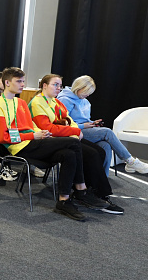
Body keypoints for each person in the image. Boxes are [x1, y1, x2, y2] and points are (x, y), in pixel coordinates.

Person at [0, 67, 108, 220]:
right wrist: (33, 135)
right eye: (19, 81)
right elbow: (2, 137)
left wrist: (42, 133)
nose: (22, 84)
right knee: (74, 143)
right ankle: (81, 190)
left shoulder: (21, 102)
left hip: (34, 141)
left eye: (23, 81)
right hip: (20, 147)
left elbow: (31, 125)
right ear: (7, 83)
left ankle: (64, 200)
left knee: (69, 154)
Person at [28, 74, 123, 213]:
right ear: (44, 86)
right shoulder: (37, 102)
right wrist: (75, 131)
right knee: (92, 153)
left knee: (100, 151)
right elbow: (48, 129)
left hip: (65, 137)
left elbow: (69, 120)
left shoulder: (56, 102)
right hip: (49, 140)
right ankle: (96, 193)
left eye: (60, 85)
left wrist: (75, 131)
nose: (59, 88)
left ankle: (91, 190)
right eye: (55, 85)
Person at [58, 75, 148, 175]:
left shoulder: (85, 101)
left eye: (89, 93)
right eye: (86, 92)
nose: (87, 95)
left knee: (106, 146)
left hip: (84, 130)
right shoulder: (65, 100)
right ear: (78, 88)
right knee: (107, 132)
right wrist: (84, 126)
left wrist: (92, 123)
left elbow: (84, 119)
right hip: (72, 132)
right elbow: (63, 124)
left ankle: (102, 178)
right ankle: (130, 161)